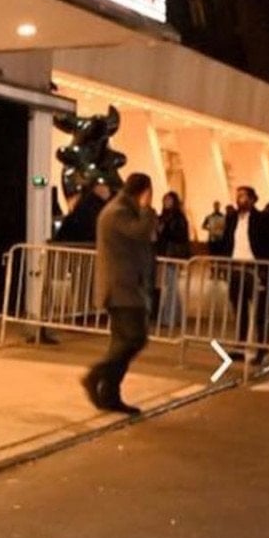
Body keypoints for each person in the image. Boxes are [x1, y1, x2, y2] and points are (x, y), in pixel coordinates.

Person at [81, 172, 157, 416]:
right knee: (135, 338)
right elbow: (141, 232)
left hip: (127, 287)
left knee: (122, 342)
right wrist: (147, 209)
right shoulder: (118, 212)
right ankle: (96, 375)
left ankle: (110, 395)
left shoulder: (120, 210)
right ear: (144, 191)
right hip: (121, 288)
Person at [221, 185, 269, 364]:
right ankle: (240, 347)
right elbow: (226, 241)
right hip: (236, 268)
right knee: (239, 310)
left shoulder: (262, 219)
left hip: (255, 269)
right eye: (238, 196)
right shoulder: (232, 218)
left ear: (252, 199)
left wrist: (265, 269)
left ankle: (262, 349)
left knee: (260, 312)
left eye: (243, 196)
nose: (239, 199)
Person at [153, 189, 190, 331]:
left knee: (171, 286)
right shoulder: (164, 217)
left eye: (169, 200)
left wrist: (165, 230)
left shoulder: (178, 218)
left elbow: (179, 236)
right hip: (164, 254)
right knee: (171, 285)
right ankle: (176, 316)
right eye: (165, 200)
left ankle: (169, 317)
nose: (166, 202)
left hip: (173, 255)